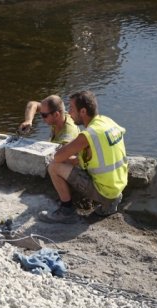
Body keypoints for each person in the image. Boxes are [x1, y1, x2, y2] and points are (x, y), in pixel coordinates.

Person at [39, 90, 128, 223]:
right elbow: (98, 156)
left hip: (104, 191)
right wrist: (74, 160)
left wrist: (62, 156)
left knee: (54, 166)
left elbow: (57, 158)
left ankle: (66, 210)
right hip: (118, 186)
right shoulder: (107, 122)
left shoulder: (87, 135)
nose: (69, 113)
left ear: (83, 112)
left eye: (72, 108)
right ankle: (112, 201)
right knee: (71, 161)